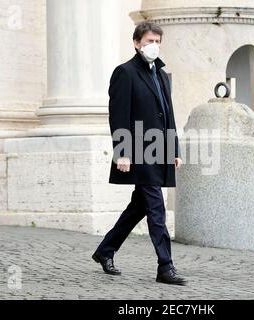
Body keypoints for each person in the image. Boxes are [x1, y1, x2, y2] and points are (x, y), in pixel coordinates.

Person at [92, 22, 186, 285]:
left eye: (157, 40)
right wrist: (121, 152)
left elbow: (168, 114)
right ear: (136, 43)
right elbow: (118, 114)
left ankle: (105, 250)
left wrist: (174, 149)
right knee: (156, 207)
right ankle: (165, 267)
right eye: (148, 41)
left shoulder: (162, 74)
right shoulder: (125, 73)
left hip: (160, 150)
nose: (153, 45)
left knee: (139, 207)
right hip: (138, 152)